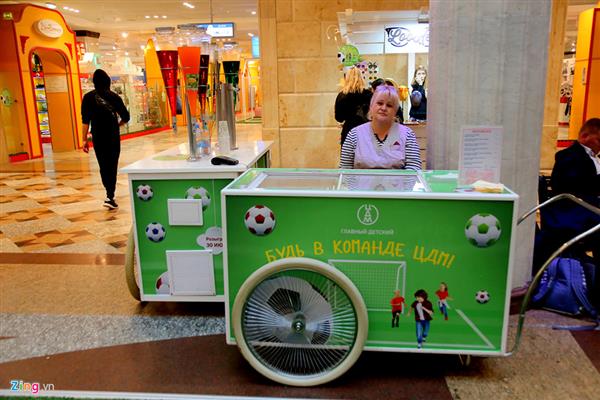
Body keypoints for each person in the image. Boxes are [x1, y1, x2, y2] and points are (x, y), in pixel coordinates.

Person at [547, 118, 600, 265]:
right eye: (599, 140)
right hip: (576, 211)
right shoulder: (568, 156)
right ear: (584, 136)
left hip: (590, 208)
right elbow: (572, 185)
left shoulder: (593, 157)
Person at [339, 85, 422, 170]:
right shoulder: (354, 135)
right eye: (380, 103)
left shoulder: (408, 135)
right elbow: (344, 171)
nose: (383, 108)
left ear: (395, 111)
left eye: (389, 105)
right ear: (371, 107)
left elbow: (414, 169)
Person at [81, 69, 130, 210]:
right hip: (112, 136)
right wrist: (118, 124)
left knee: (103, 165)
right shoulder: (114, 96)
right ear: (108, 81)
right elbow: (126, 117)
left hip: (98, 136)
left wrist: (84, 140)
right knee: (112, 164)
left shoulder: (87, 98)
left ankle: (109, 194)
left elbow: (85, 121)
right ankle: (110, 194)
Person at [334, 66, 372, 146]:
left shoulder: (342, 96)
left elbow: (339, 118)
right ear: (361, 78)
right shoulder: (369, 94)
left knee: (348, 153)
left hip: (348, 130)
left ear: (347, 79)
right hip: (365, 130)